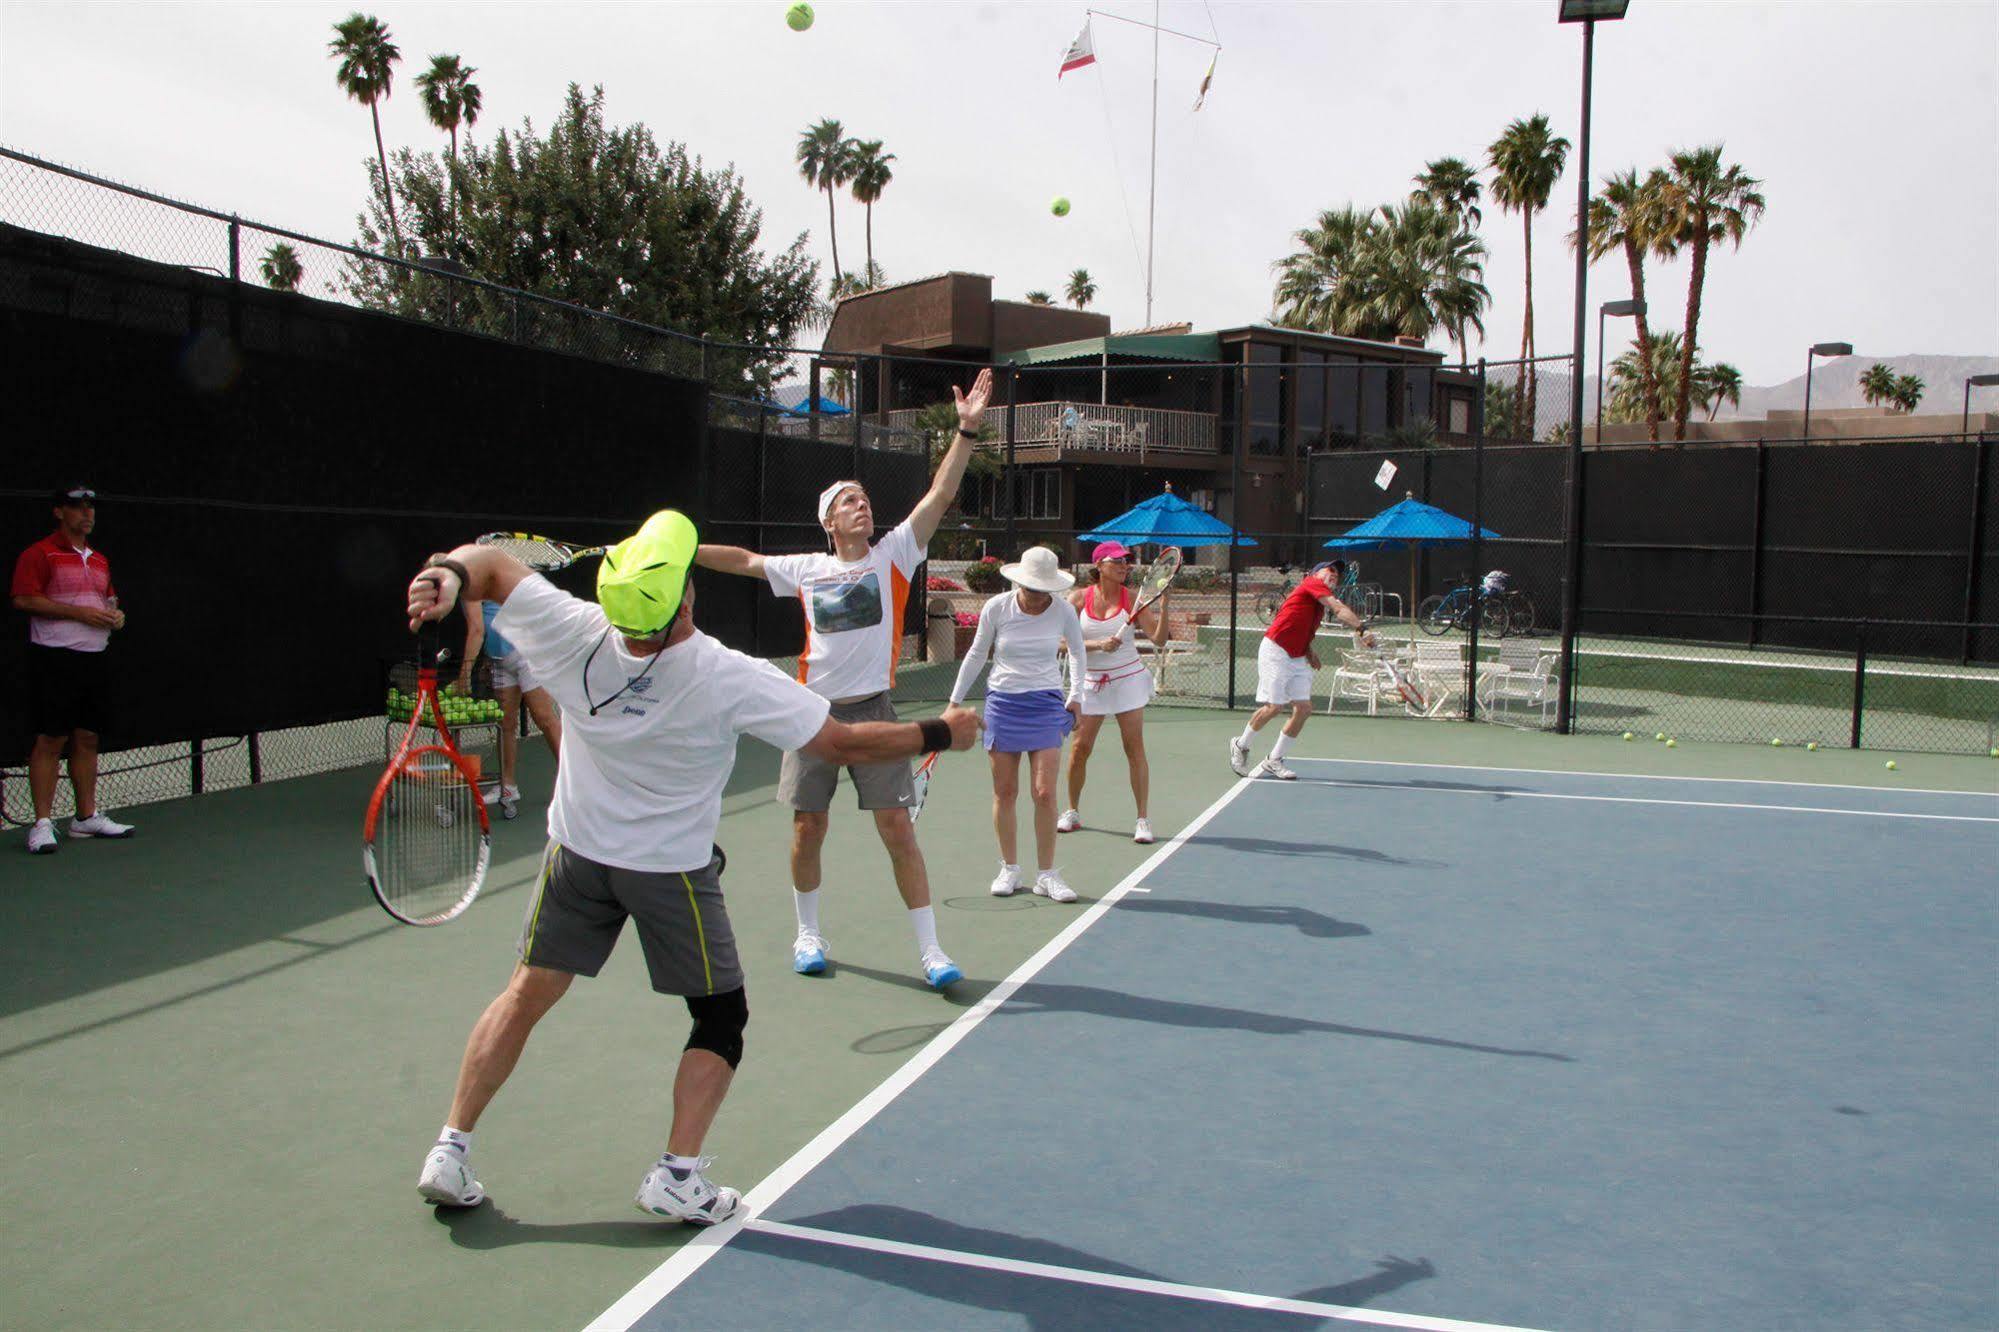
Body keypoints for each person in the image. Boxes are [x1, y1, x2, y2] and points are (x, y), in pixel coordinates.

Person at [403, 511, 980, 1223]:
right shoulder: (724, 674)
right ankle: (676, 1176)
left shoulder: (571, 630)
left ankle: (449, 1150)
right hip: (669, 873)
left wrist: (448, 575)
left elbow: (485, 563)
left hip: (576, 856)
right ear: (684, 600)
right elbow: (839, 741)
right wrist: (937, 732)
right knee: (720, 1017)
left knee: (524, 995)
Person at [694, 368, 991, 988]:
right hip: (811, 715)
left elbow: (937, 496)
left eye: (866, 499)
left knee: (896, 830)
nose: (864, 506)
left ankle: (931, 951)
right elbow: (745, 561)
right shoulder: (805, 568)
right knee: (808, 826)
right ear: (829, 520)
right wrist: (680, 550)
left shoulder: (896, 556)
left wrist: (965, 431)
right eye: (850, 501)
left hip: (876, 712)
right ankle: (808, 933)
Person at [949, 546, 1089, 902]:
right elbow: (977, 654)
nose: (1037, 596)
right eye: (1031, 589)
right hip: (1003, 703)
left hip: (1045, 703)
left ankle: (1046, 875)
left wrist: (1077, 696)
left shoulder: (1064, 611)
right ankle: (1010, 868)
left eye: (1044, 590)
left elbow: (1077, 651)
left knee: (1044, 792)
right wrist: (954, 703)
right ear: (1019, 583)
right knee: (1005, 792)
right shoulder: (997, 608)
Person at [10, 484, 135, 853]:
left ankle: (85, 818)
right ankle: (42, 824)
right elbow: (23, 598)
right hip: (54, 658)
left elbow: (108, 601)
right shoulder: (39, 554)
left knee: (88, 737)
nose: (87, 514)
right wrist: (79, 613)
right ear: (59, 512)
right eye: (78, 507)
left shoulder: (99, 560)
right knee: (51, 738)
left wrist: (117, 617)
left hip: (94, 658)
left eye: (90, 507)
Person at [1057, 541, 1166, 844]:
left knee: (1134, 748)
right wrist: (1095, 645)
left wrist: (1164, 604)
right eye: (1116, 561)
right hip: (1091, 681)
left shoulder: (1133, 599)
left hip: (1128, 679)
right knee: (1080, 749)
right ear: (1099, 566)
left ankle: (1142, 820)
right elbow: (1060, 644)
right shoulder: (1077, 599)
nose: (1123, 565)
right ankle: (1072, 811)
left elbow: (1158, 639)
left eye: (1126, 561)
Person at [1229, 558, 1375, 781]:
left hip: (1296, 656)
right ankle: (1241, 744)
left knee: (1304, 708)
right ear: (1316, 574)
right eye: (1330, 570)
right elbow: (1338, 608)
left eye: (1338, 573)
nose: (1335, 574)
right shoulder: (1311, 583)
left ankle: (1274, 760)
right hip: (1276, 650)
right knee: (1274, 707)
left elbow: (1299, 625)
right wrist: (1362, 628)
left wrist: (1309, 651)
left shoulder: (1317, 604)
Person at [457, 594, 563, 819]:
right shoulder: (463, 590)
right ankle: (508, 786)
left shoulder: (469, 586)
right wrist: (488, 657)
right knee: (505, 723)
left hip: (527, 654)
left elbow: (477, 630)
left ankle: (574, 786)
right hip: (500, 661)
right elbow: (491, 621)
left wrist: (464, 677)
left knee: (544, 718)